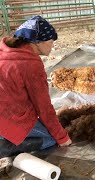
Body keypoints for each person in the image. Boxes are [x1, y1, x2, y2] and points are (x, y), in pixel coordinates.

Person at [0, 16, 72, 170]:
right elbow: (44, 108)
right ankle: (4, 147)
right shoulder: (30, 64)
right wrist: (62, 137)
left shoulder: (5, 50)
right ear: (37, 42)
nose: (52, 46)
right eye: (51, 42)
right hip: (7, 117)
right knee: (50, 139)